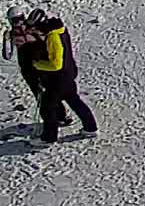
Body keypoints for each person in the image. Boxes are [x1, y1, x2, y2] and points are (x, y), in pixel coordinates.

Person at [19, 9, 96, 143]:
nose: (34, 31)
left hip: (59, 78)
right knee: (74, 100)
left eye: (35, 28)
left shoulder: (53, 37)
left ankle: (48, 138)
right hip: (68, 73)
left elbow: (55, 64)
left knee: (47, 107)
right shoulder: (60, 30)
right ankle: (90, 128)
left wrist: (37, 64)